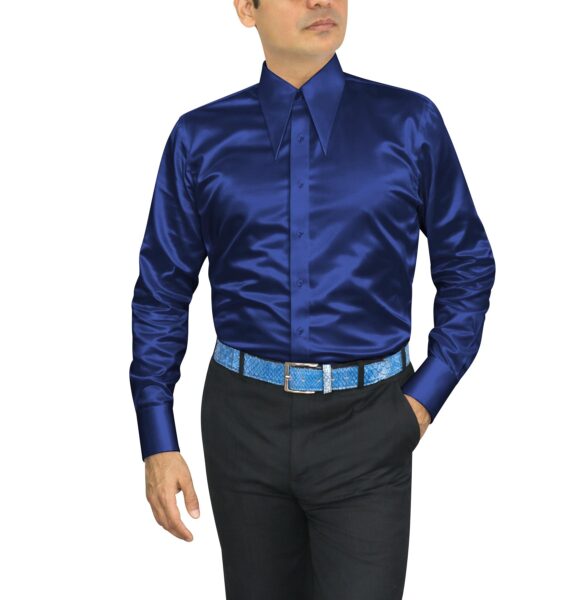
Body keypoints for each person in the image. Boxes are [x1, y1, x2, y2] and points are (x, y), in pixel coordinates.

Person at [128, 0, 496, 598]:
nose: (321, 1)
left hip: (371, 421)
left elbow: (467, 264)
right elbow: (162, 290)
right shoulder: (200, 138)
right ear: (246, 9)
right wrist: (158, 437)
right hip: (242, 426)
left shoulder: (410, 124)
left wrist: (422, 401)